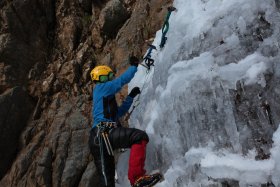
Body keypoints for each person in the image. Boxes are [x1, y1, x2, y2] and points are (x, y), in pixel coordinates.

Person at [88, 56, 161, 187]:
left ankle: (137, 179)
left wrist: (130, 97)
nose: (110, 79)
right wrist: (134, 66)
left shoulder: (105, 98)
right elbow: (121, 81)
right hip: (101, 134)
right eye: (108, 76)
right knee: (138, 137)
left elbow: (119, 112)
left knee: (108, 180)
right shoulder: (101, 88)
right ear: (101, 79)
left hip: (101, 137)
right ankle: (137, 178)